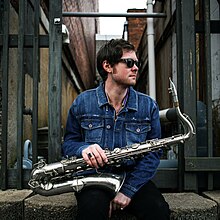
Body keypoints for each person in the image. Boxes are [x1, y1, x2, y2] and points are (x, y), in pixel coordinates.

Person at [62, 38, 170, 220]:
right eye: (129, 63)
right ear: (108, 66)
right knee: (91, 212)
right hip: (93, 179)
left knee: (158, 211)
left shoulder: (148, 105)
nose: (135, 67)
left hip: (133, 177)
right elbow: (68, 144)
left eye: (136, 63)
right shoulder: (82, 102)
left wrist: (128, 190)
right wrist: (83, 149)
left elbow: (153, 153)